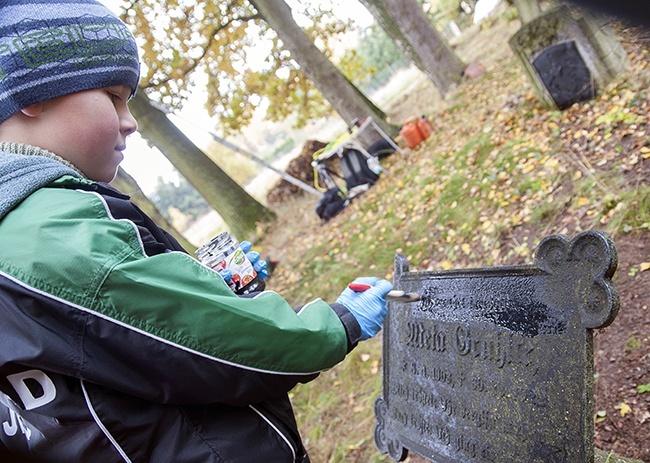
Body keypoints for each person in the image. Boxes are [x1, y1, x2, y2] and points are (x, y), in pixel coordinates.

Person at [0, 1, 393, 462]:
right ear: (33, 92)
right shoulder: (44, 227)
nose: (130, 121)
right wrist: (337, 323)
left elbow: (105, 340)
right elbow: (213, 343)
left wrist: (203, 287)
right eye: (112, 95)